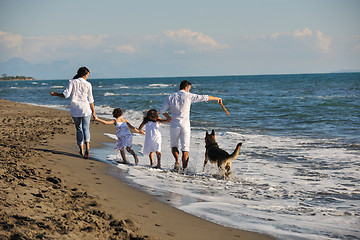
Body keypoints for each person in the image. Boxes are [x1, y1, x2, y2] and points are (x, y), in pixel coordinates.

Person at [160, 80, 223, 171]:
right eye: (190, 88)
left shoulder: (170, 97)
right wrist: (217, 98)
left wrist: (168, 118)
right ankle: (184, 170)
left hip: (174, 125)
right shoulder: (189, 96)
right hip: (185, 126)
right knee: (185, 149)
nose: (190, 90)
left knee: (174, 146)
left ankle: (177, 161)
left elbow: (162, 111)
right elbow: (204, 97)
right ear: (187, 87)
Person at [50, 66, 97, 159]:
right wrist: (94, 112)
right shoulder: (88, 84)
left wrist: (55, 94)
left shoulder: (71, 82)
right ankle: (88, 148)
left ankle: (81, 150)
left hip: (75, 109)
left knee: (78, 129)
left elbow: (66, 95)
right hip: (86, 109)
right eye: (87, 75)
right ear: (84, 75)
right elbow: (91, 100)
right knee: (86, 128)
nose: (88, 77)